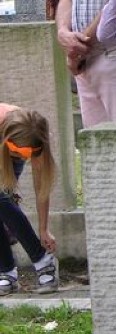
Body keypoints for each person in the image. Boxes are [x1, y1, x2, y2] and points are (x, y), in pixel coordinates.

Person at [0, 104, 59, 295]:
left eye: (23, 155)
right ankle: (6, 270)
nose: (17, 156)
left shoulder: (36, 137)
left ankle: (43, 262)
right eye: (15, 152)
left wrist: (44, 229)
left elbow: (41, 187)